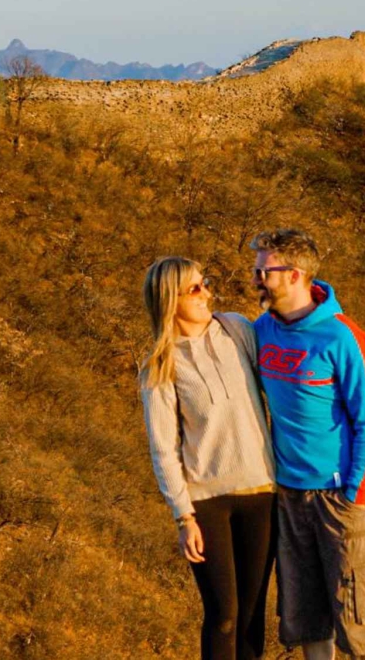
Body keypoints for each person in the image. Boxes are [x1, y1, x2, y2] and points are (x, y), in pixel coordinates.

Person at [249, 229, 365, 660]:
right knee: (306, 614)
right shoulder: (262, 330)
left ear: (294, 275)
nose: (255, 279)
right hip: (289, 495)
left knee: (360, 614)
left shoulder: (341, 337)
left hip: (338, 496)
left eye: (264, 272)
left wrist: (355, 494)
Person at [140, 255, 278, 660]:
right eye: (195, 288)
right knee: (223, 616)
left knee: (252, 617)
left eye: (206, 283)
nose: (207, 293)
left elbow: (277, 385)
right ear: (171, 300)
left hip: (262, 492)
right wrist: (183, 517)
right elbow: (163, 448)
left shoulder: (236, 329)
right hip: (206, 504)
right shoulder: (160, 366)